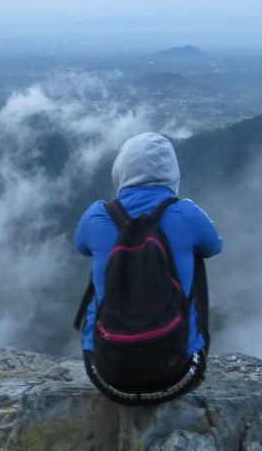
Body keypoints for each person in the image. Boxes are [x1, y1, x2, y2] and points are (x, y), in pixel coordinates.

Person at [74, 132, 223, 404]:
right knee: (194, 256)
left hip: (106, 376)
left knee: (108, 257)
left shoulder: (96, 214)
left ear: (121, 170)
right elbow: (214, 246)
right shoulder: (187, 213)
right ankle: (184, 341)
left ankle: (107, 341)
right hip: (177, 376)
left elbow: (81, 246)